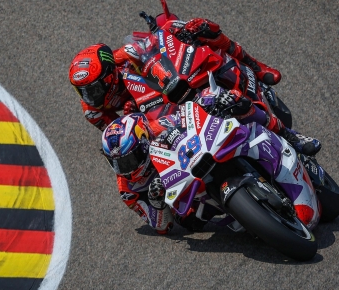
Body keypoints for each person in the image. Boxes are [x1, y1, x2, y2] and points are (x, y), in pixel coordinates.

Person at [70, 17, 321, 155]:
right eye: (82, 90)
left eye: (93, 88)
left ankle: (255, 67)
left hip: (165, 87)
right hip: (152, 115)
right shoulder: (92, 110)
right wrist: (132, 116)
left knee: (200, 28)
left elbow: (154, 44)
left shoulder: (122, 57)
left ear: (110, 74)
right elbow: (120, 135)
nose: (88, 96)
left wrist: (175, 31)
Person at [101, 110, 215, 234]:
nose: (125, 169)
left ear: (143, 144)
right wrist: (156, 201)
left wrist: (206, 101)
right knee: (188, 219)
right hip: (189, 196)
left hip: (195, 158)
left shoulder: (159, 126)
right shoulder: (127, 190)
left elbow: (189, 115)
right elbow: (162, 226)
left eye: (129, 160)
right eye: (117, 163)